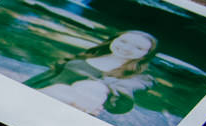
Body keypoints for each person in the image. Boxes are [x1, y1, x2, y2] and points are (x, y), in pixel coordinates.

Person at [25, 30, 158, 117]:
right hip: (38, 91)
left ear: (146, 54)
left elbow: (125, 88)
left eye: (138, 48)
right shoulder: (92, 53)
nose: (126, 48)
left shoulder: (142, 78)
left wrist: (101, 88)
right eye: (123, 41)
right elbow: (51, 74)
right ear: (114, 39)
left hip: (65, 110)